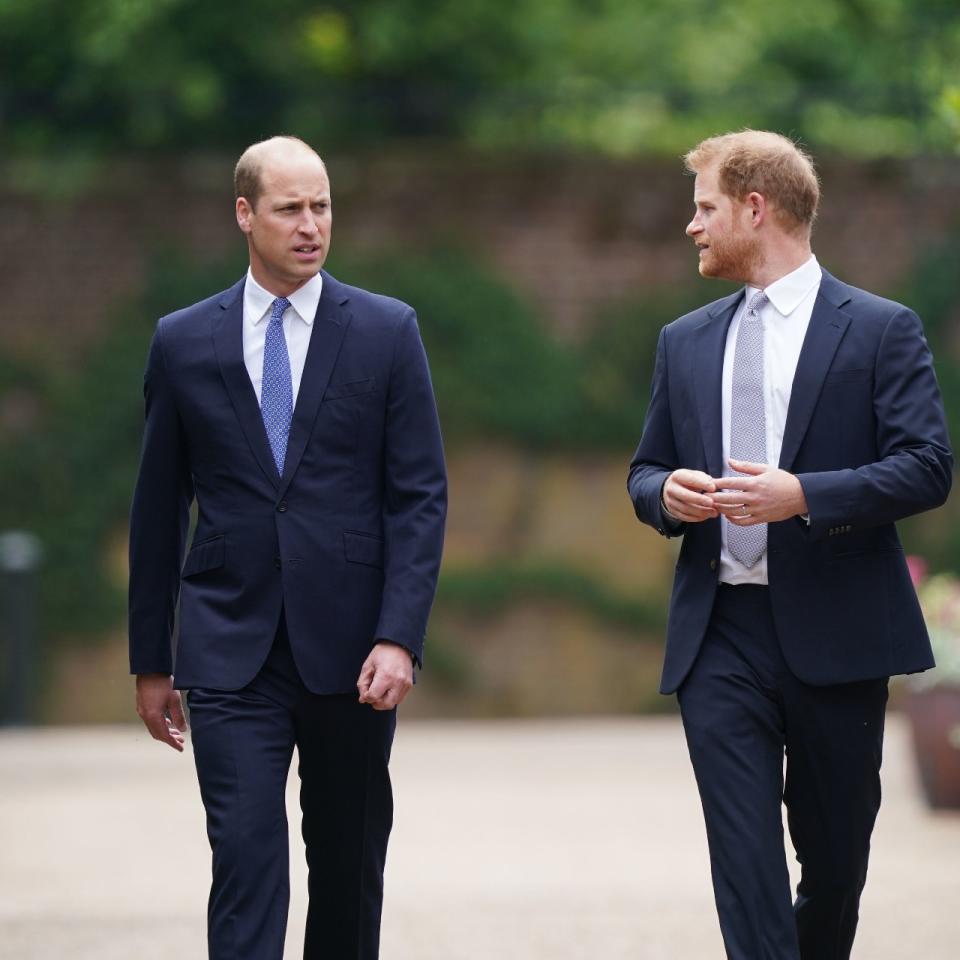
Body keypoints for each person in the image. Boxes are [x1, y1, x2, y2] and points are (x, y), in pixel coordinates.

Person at [627, 130, 952, 960]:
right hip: (719, 636)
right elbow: (646, 470)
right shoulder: (684, 340)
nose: (692, 226)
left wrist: (805, 495)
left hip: (841, 634)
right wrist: (664, 494)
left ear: (754, 207)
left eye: (705, 208)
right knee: (744, 863)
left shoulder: (882, 329)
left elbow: (926, 469)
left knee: (836, 863)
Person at [128, 135, 447, 960]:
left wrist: (399, 636)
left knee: (346, 867)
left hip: (353, 654)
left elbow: (418, 497)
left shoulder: (385, 331)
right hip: (228, 648)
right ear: (245, 213)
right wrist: (150, 659)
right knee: (245, 858)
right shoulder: (183, 341)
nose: (311, 225)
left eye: (322, 206)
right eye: (289, 208)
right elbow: (158, 509)